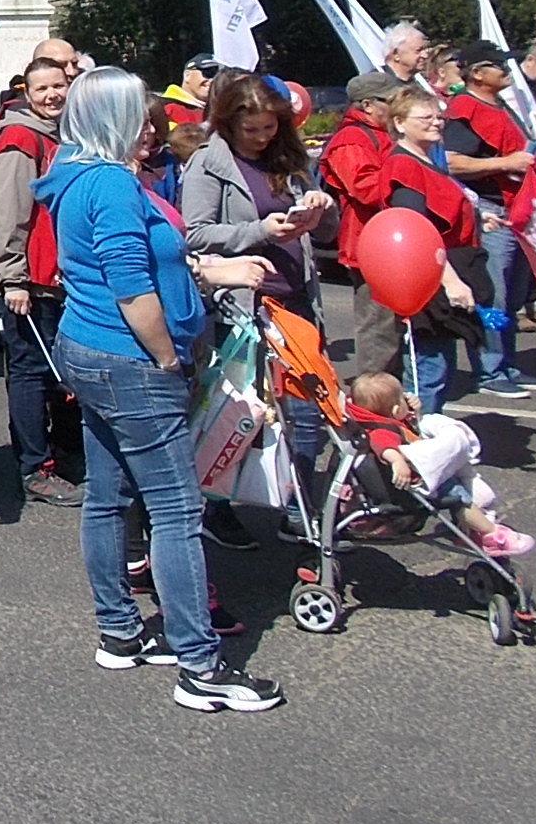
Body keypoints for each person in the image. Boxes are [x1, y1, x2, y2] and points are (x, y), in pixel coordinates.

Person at [38, 66, 285, 712]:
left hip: (88, 349)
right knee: (176, 512)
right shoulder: (113, 186)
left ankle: (119, 631)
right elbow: (131, 285)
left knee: (108, 494)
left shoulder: (74, 171)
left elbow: (149, 261)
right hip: (129, 361)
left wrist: (213, 268)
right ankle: (200, 666)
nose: (153, 130)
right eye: (139, 118)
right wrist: (167, 357)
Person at [179, 73, 333, 542]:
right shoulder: (209, 163)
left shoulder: (291, 158)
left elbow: (326, 234)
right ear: (228, 123)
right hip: (243, 308)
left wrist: (319, 209)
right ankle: (216, 506)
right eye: (252, 130)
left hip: (297, 300)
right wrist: (260, 231)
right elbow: (196, 233)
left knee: (307, 410)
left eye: (269, 128)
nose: (262, 137)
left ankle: (298, 506)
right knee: (238, 413)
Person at [0, 55, 81, 507]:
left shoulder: (64, 136)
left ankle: (64, 455)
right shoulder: (21, 141)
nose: (51, 95)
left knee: (63, 373)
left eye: (57, 85)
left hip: (62, 277)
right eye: (41, 89)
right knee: (30, 374)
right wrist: (12, 278)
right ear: (27, 94)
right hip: (31, 280)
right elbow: (6, 215)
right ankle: (35, 466)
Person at [442, 40, 536, 399]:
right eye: (499, 66)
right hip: (490, 212)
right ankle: (490, 369)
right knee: (494, 295)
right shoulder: (463, 110)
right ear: (477, 74)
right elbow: (452, 161)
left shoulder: (498, 105)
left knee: (514, 294)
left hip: (516, 212)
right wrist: (506, 163)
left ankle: (507, 364)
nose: (507, 71)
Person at [382, 85, 492, 413]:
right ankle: (419, 445)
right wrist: (450, 281)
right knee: (427, 372)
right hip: (428, 284)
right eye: (425, 117)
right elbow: (417, 231)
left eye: (438, 116)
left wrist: (476, 216)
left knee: (439, 367)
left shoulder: (426, 160)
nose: (436, 123)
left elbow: (439, 209)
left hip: (445, 270)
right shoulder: (405, 166)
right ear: (400, 123)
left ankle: (430, 441)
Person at [345, 373, 535, 556]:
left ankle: (466, 529)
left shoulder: (378, 419)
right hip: (413, 484)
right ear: (395, 410)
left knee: (460, 491)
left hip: (416, 475)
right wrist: (397, 461)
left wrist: (413, 410)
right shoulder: (381, 430)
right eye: (402, 399)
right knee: (460, 499)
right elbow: (384, 446)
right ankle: (490, 534)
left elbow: (406, 424)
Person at [320, 70, 404, 376]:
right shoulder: (351, 139)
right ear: (368, 105)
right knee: (378, 325)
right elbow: (365, 188)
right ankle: (373, 396)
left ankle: (392, 388)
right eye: (392, 101)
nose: (398, 107)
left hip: (396, 240)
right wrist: (409, 178)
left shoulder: (384, 135)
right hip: (370, 244)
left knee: (395, 323)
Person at [160, 53, 220, 128]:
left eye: (218, 76)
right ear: (187, 75)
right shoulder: (164, 109)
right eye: (208, 73)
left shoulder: (220, 111)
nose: (212, 80)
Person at [381, 22, 430, 88]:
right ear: (396, 54)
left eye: (425, 49)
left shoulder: (420, 85)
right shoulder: (379, 84)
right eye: (418, 50)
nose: (425, 55)